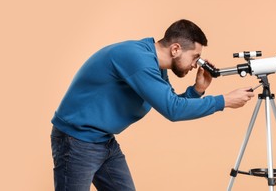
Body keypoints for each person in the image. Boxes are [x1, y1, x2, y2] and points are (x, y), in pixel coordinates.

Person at [50, 19, 255, 190]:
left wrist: (198, 90)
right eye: (195, 57)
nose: (195, 65)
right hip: (76, 140)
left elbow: (172, 102)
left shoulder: (155, 65)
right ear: (175, 49)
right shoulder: (138, 59)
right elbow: (173, 110)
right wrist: (224, 101)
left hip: (103, 140)